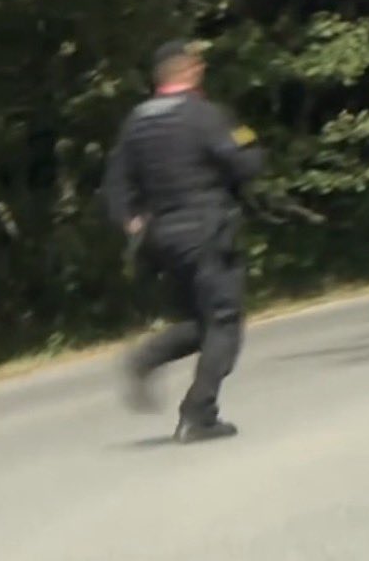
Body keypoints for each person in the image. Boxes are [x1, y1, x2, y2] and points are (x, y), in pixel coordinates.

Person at [103, 40, 263, 444]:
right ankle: (198, 415)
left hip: (163, 239)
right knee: (224, 324)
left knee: (199, 323)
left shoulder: (136, 122)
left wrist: (132, 223)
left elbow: (116, 184)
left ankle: (146, 359)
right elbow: (247, 163)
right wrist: (247, 140)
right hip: (208, 234)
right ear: (190, 71)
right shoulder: (205, 116)